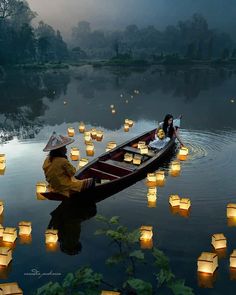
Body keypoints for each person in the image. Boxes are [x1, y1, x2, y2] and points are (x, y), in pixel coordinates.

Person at [42, 131, 94, 198]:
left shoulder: (47, 160)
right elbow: (73, 173)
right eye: (64, 147)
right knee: (92, 181)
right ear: (60, 150)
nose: (66, 149)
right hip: (64, 186)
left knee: (74, 179)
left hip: (53, 186)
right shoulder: (63, 161)